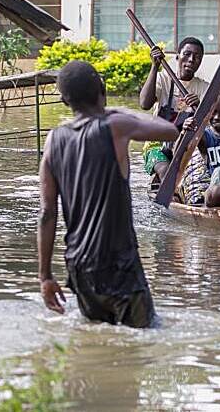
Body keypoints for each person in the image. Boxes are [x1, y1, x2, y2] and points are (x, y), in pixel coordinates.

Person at [37, 61, 179, 328]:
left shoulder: (54, 139)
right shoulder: (116, 125)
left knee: (97, 338)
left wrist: (45, 277)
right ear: (102, 91)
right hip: (119, 265)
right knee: (143, 339)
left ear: (65, 101)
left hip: (79, 266)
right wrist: (122, 110)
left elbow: (47, 213)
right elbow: (170, 131)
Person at [138, 38, 220, 190]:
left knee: (200, 175)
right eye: (187, 54)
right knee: (166, 171)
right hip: (158, 144)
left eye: (197, 57)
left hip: (187, 146)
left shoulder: (204, 88)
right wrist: (154, 66)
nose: (191, 59)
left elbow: (211, 122)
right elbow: (144, 104)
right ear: (178, 56)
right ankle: (171, 191)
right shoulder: (163, 79)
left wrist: (199, 106)